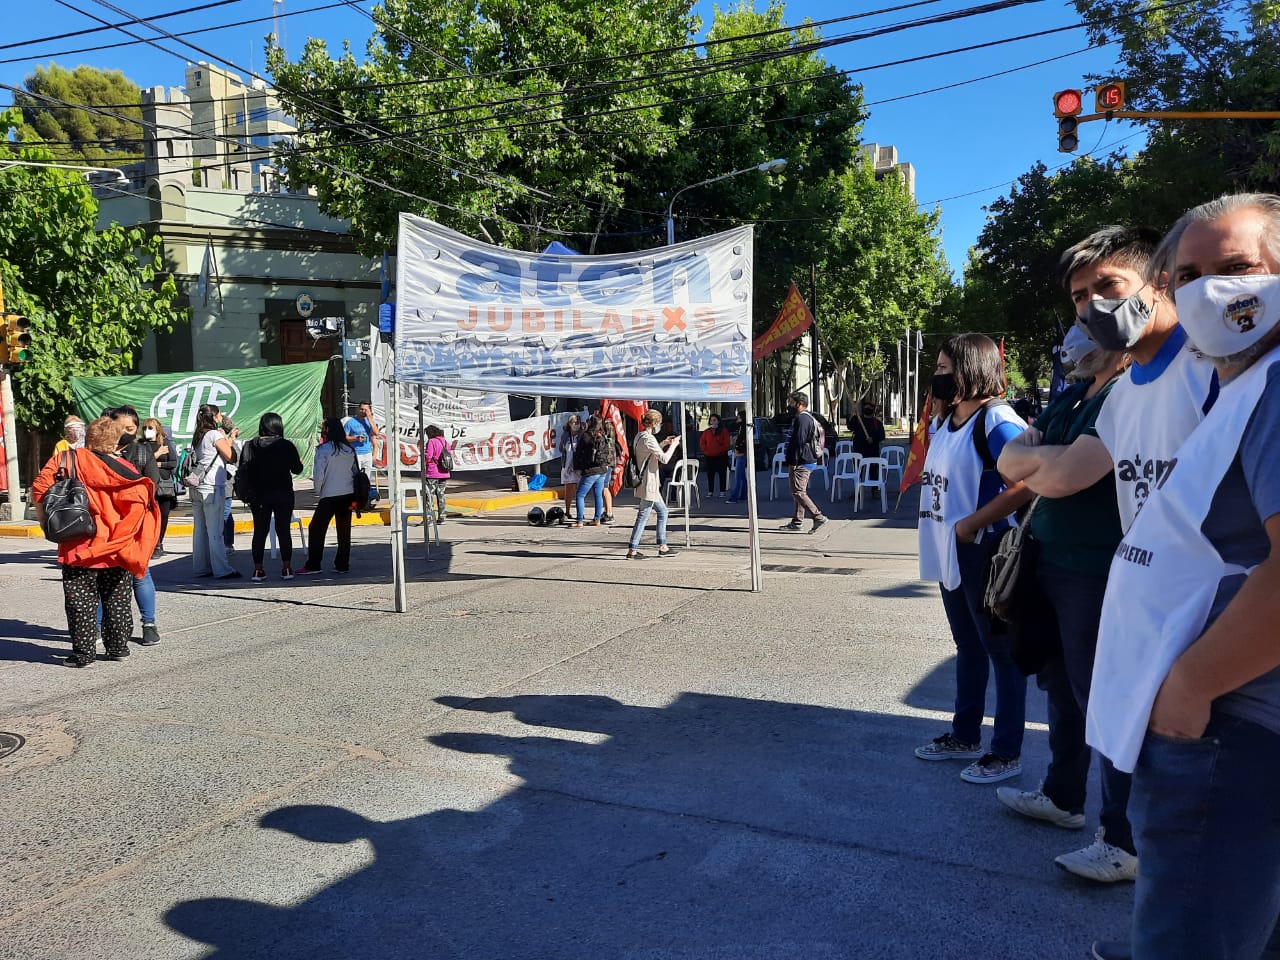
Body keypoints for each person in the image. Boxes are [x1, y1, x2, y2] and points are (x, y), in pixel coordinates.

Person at [1082, 194, 1280, 960]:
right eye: (1190, 273)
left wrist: (1190, 688)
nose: (1209, 292)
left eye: (1237, 269)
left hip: (1230, 730)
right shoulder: (1245, 386)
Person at [998, 225, 1217, 889]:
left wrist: (1210, 669)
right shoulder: (1126, 395)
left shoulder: (1215, 368)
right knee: (1158, 777)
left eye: (1108, 287)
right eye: (1078, 298)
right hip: (1142, 603)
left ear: (1162, 280)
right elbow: (1052, 468)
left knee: (1212, 808)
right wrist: (1029, 459)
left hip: (1213, 626)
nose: (1092, 308)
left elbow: (1054, 473)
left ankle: (1130, 855)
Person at [993, 329, 1133, 875]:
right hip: (1048, 561)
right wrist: (1048, 465)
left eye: (1097, 302)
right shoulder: (1076, 395)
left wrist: (1044, 463)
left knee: (1102, 699)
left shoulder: (1125, 393)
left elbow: (1069, 476)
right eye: (1077, 302)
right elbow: (1009, 461)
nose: (1080, 326)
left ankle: (1122, 839)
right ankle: (1063, 796)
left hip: (1095, 570)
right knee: (1058, 685)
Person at [915, 333, 1031, 783]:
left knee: (1001, 652)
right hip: (952, 553)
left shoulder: (997, 422)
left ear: (971, 370)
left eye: (945, 369)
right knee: (968, 645)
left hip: (984, 551)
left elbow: (1029, 481)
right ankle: (965, 735)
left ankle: (1006, 751)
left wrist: (971, 524)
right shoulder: (948, 422)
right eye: (938, 369)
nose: (938, 376)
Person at [31, 417, 161, 667]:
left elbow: (39, 489)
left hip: (77, 545)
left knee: (80, 603)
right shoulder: (126, 471)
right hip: (117, 548)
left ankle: (83, 654)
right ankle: (118, 648)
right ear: (115, 442)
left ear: (87, 438)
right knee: (118, 599)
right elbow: (142, 506)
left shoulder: (66, 461)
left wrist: (45, 523)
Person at [109, 406, 163, 646]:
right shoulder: (97, 453)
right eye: (120, 428)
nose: (125, 433)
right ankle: (99, 627)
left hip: (135, 523)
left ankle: (149, 624)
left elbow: (154, 484)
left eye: (130, 428)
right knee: (103, 575)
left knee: (140, 573)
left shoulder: (142, 452)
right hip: (106, 523)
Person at [239, 412, 304, 583]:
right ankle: (287, 567)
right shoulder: (286, 445)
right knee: (284, 530)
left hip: (258, 495)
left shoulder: (250, 445)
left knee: (260, 532)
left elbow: (243, 468)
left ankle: (258, 570)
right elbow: (297, 469)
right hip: (283, 493)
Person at [298, 417, 356, 575]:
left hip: (329, 494)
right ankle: (342, 564)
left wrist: (318, 491)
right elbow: (354, 472)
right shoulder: (349, 449)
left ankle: (314, 564)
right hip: (348, 494)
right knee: (344, 531)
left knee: (316, 528)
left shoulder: (323, 450)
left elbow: (318, 475)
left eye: (324, 427)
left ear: (328, 430)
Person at [188, 403, 239, 580]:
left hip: (197, 485)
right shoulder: (214, 434)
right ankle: (221, 569)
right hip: (211, 486)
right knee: (216, 530)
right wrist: (229, 438)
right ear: (213, 417)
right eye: (219, 415)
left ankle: (200, 567)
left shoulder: (198, 435)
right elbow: (230, 456)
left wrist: (227, 439)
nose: (221, 417)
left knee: (200, 530)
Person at [627, 409, 681, 559]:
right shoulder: (648, 439)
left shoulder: (641, 436)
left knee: (663, 511)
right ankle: (632, 549)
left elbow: (650, 451)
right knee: (643, 515)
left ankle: (663, 546)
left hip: (647, 481)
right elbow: (663, 458)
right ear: (655, 423)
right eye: (659, 423)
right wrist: (674, 445)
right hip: (648, 482)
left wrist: (664, 442)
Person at [781, 392, 829, 533]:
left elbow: (798, 442)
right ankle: (797, 521)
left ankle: (818, 516)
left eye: (791, 402)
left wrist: (793, 461)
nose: (789, 405)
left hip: (802, 460)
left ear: (799, 404)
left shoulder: (803, 419)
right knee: (798, 491)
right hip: (803, 459)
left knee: (798, 491)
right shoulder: (803, 418)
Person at [140, 417, 178, 557]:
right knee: (152, 516)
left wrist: (160, 464)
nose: (147, 431)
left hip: (165, 484)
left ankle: (160, 543)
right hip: (149, 485)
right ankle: (153, 544)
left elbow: (173, 462)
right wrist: (156, 456)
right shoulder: (141, 445)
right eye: (145, 428)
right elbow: (140, 463)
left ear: (157, 430)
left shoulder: (165, 443)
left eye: (150, 428)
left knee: (164, 515)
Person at [571, 414, 611, 528]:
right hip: (602, 469)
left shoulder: (586, 436)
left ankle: (579, 521)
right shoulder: (602, 436)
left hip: (590, 470)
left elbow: (578, 452)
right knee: (598, 494)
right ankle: (597, 519)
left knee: (580, 495)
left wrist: (578, 466)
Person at [344, 401, 381, 506]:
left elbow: (376, 433)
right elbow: (344, 437)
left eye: (366, 409)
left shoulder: (370, 421)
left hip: (367, 453)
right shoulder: (351, 422)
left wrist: (370, 418)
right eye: (362, 409)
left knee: (366, 478)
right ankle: (354, 500)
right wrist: (356, 438)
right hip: (356, 453)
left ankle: (365, 500)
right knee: (356, 478)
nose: (363, 411)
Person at [423, 424, 451, 524]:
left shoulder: (431, 441)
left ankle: (429, 518)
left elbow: (428, 456)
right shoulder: (445, 442)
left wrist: (423, 460)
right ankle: (442, 517)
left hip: (432, 472)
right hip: (444, 472)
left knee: (429, 495)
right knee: (441, 495)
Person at [699, 413, 731, 498]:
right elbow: (702, 442)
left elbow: (726, 444)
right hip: (709, 456)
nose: (713, 422)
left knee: (722, 474)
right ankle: (710, 491)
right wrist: (706, 450)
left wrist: (719, 450)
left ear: (718, 421)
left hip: (721, 456)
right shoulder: (707, 431)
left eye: (714, 420)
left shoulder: (723, 431)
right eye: (711, 420)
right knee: (710, 474)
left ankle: (722, 491)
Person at [559, 415, 583, 520]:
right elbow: (561, 448)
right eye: (573, 422)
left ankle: (580, 512)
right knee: (568, 489)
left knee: (579, 490)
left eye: (577, 422)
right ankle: (567, 511)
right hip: (567, 465)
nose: (575, 425)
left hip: (578, 466)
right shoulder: (565, 435)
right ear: (569, 424)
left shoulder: (582, 435)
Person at [728, 409, 750, 503]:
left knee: (738, 477)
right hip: (741, 453)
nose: (737, 419)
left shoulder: (743, 429)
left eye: (738, 417)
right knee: (741, 476)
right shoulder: (741, 428)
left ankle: (734, 497)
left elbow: (741, 441)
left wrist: (737, 446)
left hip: (741, 453)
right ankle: (744, 494)